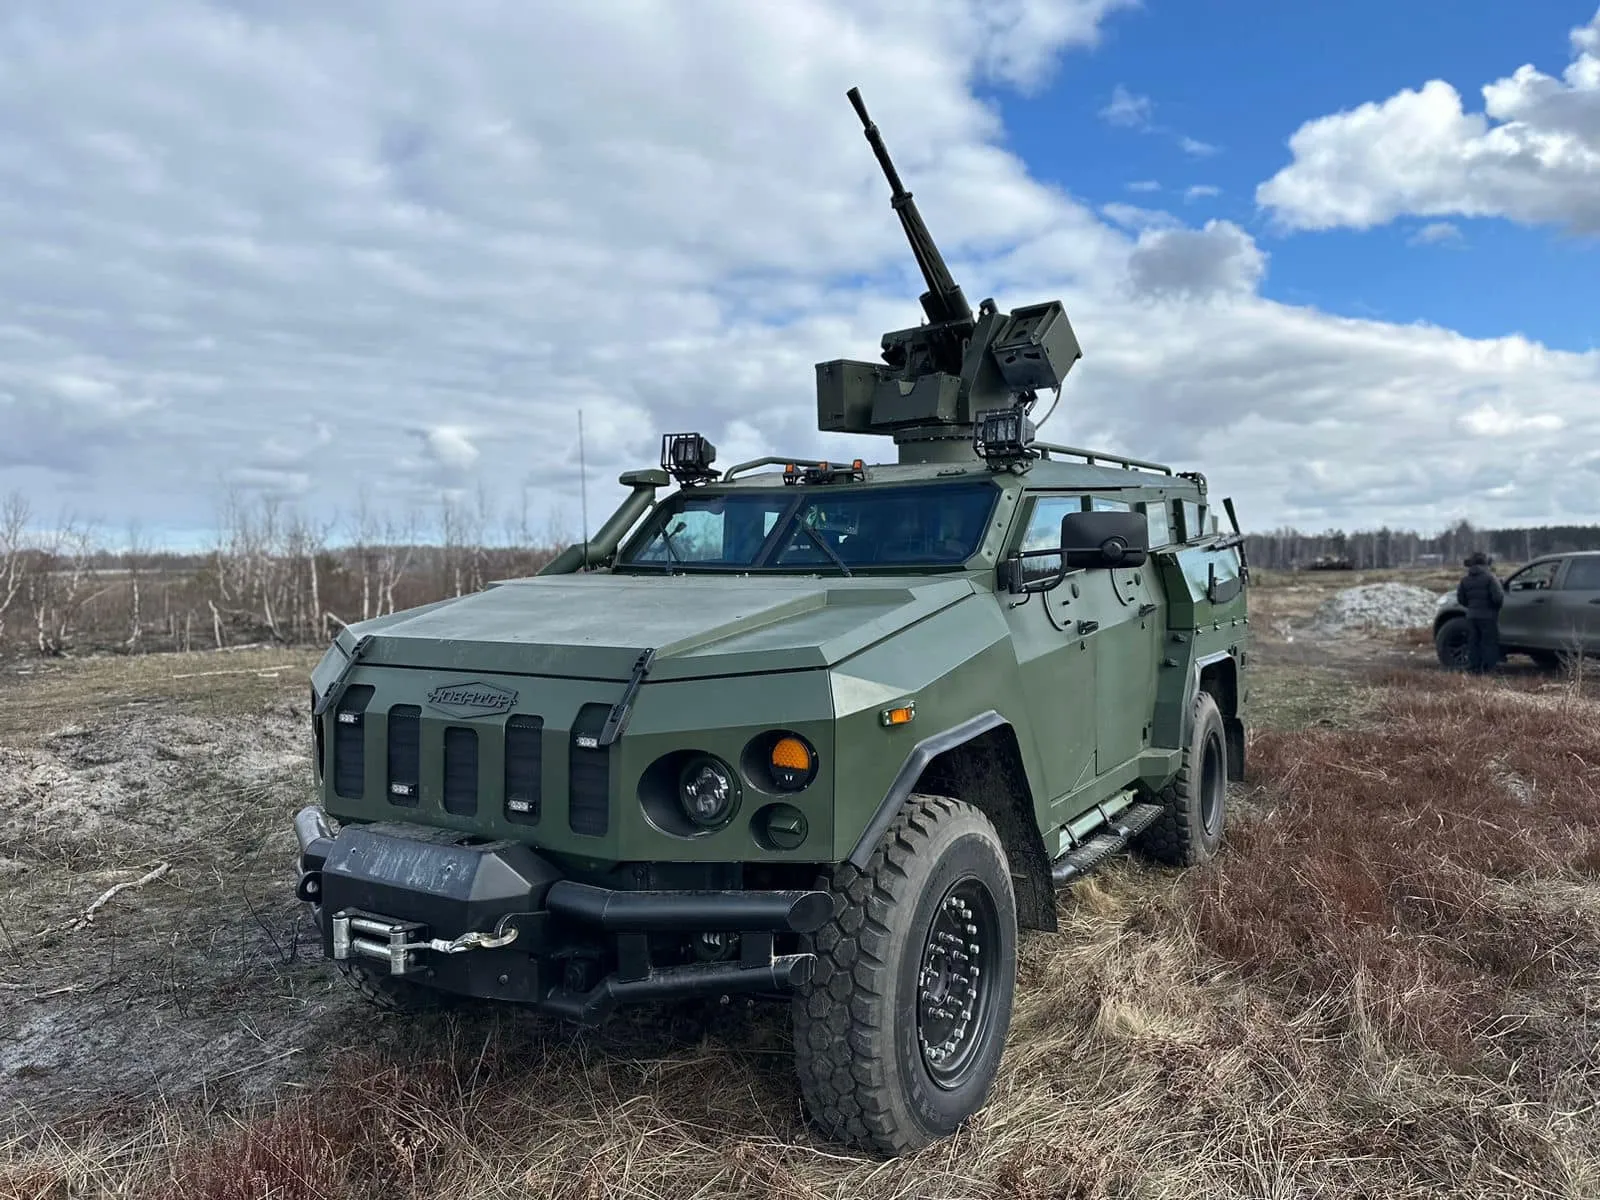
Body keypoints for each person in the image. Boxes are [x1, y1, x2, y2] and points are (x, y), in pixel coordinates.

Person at [1455, 551, 1504, 674]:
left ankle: (1474, 669)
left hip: (1472, 616)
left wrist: (1471, 607)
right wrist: (1494, 608)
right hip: (1488, 616)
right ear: (1485, 563)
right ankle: (1488, 669)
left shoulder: (1465, 580)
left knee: (1474, 642)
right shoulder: (1490, 577)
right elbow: (1498, 597)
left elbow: (1461, 599)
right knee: (1489, 642)